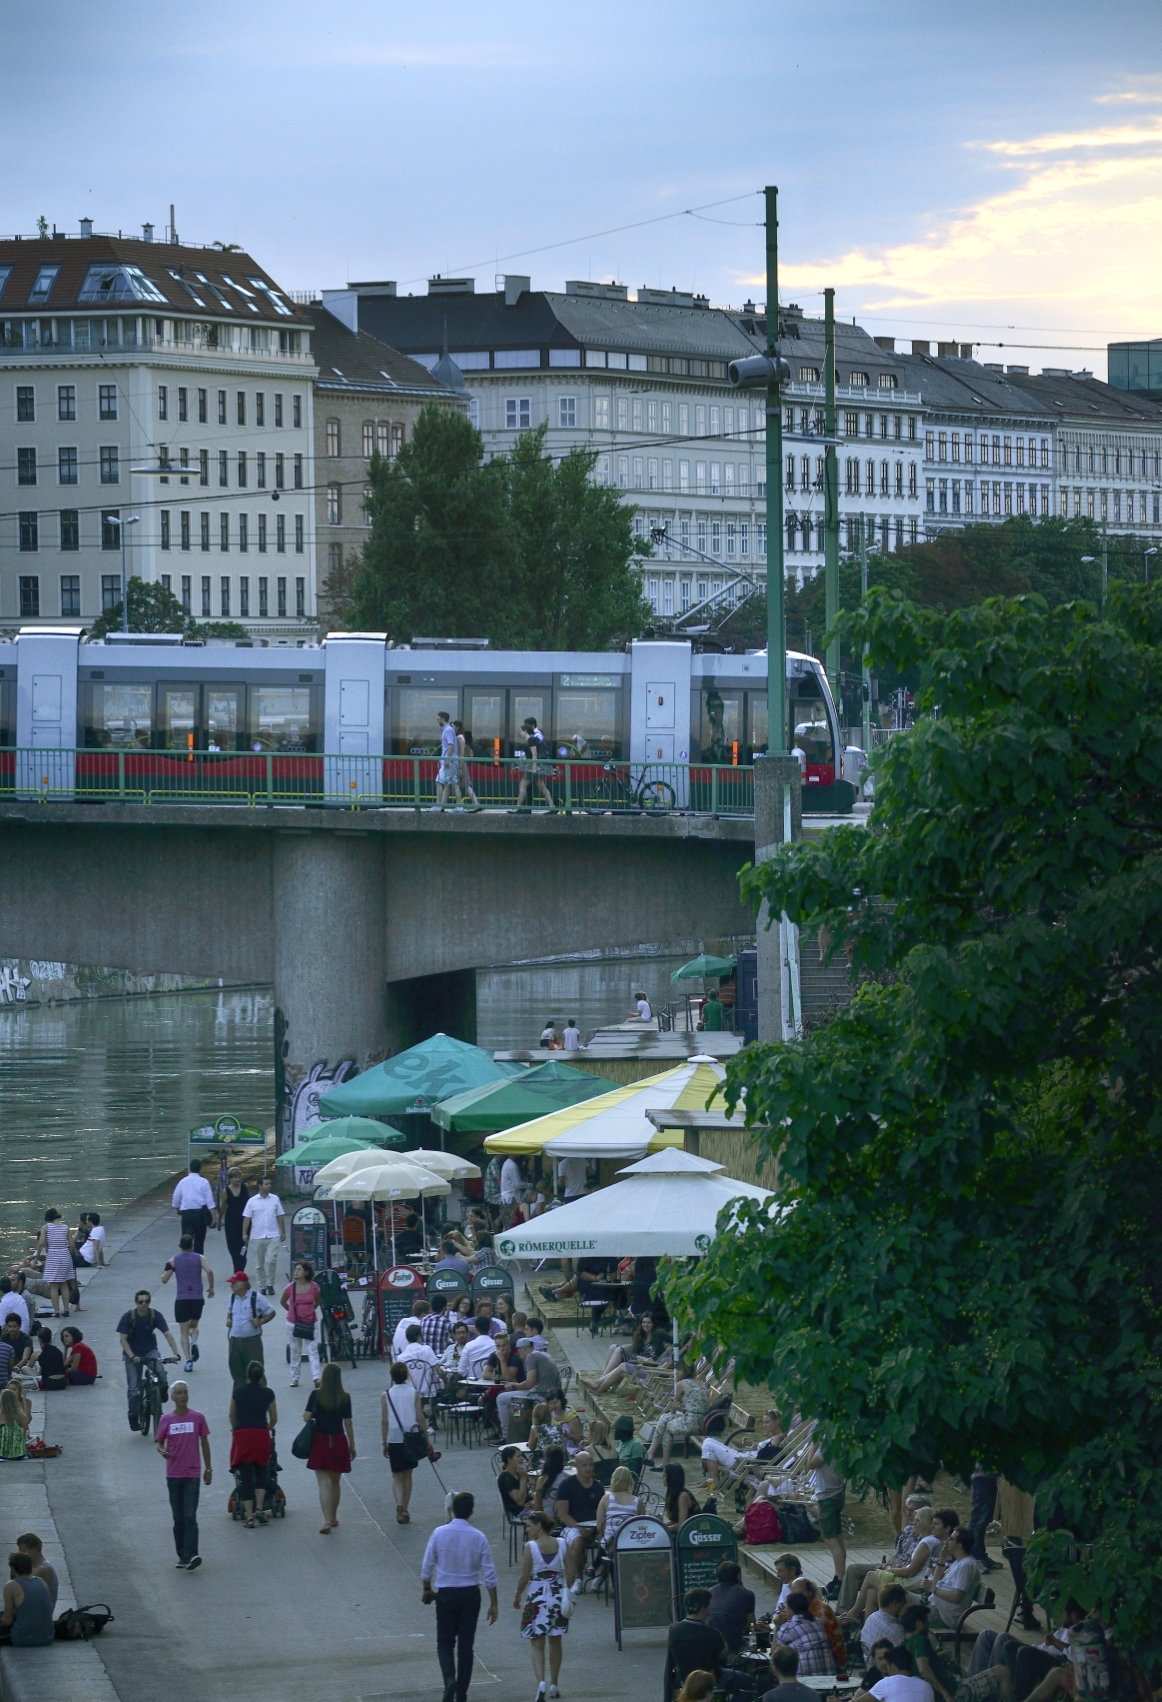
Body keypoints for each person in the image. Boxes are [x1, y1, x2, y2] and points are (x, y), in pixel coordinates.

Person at [420, 1490, 499, 1702]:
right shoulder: (479, 1537)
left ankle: (448, 1679)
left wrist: (427, 1588)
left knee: (444, 1643)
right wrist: (494, 1604)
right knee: (466, 1646)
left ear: (452, 1509)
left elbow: (427, 1565)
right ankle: (462, 1693)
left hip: (446, 1593)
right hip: (470, 1594)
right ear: (472, 1512)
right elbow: (489, 1574)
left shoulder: (439, 1533)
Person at [514, 1509, 575, 1701]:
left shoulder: (530, 1547)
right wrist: (567, 1590)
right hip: (557, 1594)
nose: (527, 1530)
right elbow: (572, 1573)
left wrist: (517, 1595)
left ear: (539, 1525)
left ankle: (541, 1681)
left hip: (537, 1596)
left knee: (537, 1643)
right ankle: (554, 1684)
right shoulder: (562, 1544)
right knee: (555, 1641)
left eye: (529, 1526)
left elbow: (524, 1577)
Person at [157, 1380, 211, 1569]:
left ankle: (192, 1555)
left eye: (185, 1392)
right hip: (173, 1475)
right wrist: (162, 1450)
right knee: (178, 1517)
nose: (183, 1396)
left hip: (192, 1474)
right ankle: (182, 1555)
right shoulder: (166, 1419)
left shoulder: (198, 1417)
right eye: (179, 1393)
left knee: (190, 1515)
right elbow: (159, 1442)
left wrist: (208, 1468)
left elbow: (204, 1442)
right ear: (172, 1397)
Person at [304, 1361, 355, 1534]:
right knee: (335, 1481)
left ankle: (326, 1520)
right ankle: (333, 1516)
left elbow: (306, 1417)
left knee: (323, 1483)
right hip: (339, 1440)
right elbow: (348, 1423)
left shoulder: (316, 1395)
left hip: (320, 1441)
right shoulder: (345, 1397)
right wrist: (352, 1445)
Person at [117, 1289, 180, 1428]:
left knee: (161, 1372)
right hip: (132, 1354)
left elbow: (167, 1334)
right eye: (140, 1302)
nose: (143, 1304)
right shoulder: (129, 1316)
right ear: (136, 1302)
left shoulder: (154, 1315)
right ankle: (133, 1417)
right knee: (134, 1387)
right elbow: (123, 1340)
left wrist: (176, 1354)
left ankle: (162, 1390)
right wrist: (132, 1356)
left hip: (150, 1350)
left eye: (146, 1301)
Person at [229, 1362, 276, 1527]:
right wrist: (266, 1428)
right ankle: (259, 1508)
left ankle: (249, 1517)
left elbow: (231, 1414)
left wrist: (235, 1429)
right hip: (261, 1434)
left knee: (246, 1474)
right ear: (262, 1375)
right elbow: (274, 1418)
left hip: (243, 1435)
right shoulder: (268, 1393)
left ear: (247, 1374)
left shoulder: (238, 1392)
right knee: (262, 1470)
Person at [162, 1233, 215, 1372]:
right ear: (192, 1245)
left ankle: (188, 1361)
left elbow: (164, 1279)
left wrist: (166, 1269)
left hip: (182, 1299)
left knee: (183, 1332)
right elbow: (209, 1271)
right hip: (197, 1298)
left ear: (179, 1246)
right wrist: (211, 1288)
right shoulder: (199, 1257)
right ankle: (195, 1341)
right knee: (193, 1326)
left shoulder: (174, 1260)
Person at [802, 1435, 848, 1597]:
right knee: (838, 1538)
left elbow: (811, 1463)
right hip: (836, 1492)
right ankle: (838, 1577)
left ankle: (841, 1582)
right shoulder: (842, 1441)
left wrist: (813, 1445)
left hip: (827, 1496)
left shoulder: (828, 1444)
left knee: (831, 1539)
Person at [701, 1408, 787, 1489]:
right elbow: (763, 1452)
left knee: (708, 1445)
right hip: (743, 1457)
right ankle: (712, 1481)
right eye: (764, 1422)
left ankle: (713, 1482)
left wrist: (750, 1461)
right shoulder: (775, 1436)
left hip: (742, 1462)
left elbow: (766, 1456)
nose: (764, 1425)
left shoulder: (778, 1438)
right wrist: (751, 1445)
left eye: (767, 1422)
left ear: (777, 1422)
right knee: (708, 1440)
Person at [646, 1362, 711, 1466]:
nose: (676, 1372)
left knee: (667, 1425)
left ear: (687, 1371)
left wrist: (672, 1412)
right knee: (664, 1418)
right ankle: (651, 1453)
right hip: (704, 1421)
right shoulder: (700, 1382)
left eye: (679, 1370)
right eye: (675, 1369)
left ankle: (662, 1460)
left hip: (692, 1423)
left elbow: (675, 1406)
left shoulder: (681, 1384)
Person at [668, 1589, 730, 1693]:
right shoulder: (711, 1633)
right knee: (747, 1681)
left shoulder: (673, 1630)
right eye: (708, 1606)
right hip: (710, 1680)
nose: (709, 1609)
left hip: (684, 1682)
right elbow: (725, 1654)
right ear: (703, 1608)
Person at [496, 1341, 559, 1442]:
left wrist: (513, 1386)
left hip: (541, 1395)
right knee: (511, 1398)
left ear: (523, 1349)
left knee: (501, 1398)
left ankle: (506, 1436)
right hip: (552, 1394)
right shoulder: (544, 1354)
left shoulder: (531, 1357)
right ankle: (520, 1432)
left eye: (519, 1353)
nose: (519, 1356)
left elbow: (529, 1383)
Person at [555, 1448, 604, 1568]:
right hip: (571, 1526)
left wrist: (596, 1528)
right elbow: (563, 1515)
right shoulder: (566, 1486)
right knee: (578, 1541)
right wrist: (580, 1528)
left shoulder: (598, 1487)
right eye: (584, 1465)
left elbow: (601, 1512)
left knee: (610, 1541)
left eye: (591, 1464)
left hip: (594, 1526)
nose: (588, 1468)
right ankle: (577, 1579)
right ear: (576, 1466)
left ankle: (598, 1575)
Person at [925, 1527, 982, 1629]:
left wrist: (932, 1589)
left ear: (959, 1545)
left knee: (905, 1612)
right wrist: (942, 1559)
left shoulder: (966, 1565)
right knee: (900, 1597)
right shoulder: (959, 1562)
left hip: (944, 1615)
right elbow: (937, 1581)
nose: (947, 1540)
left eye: (951, 1539)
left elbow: (956, 1597)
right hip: (936, 1606)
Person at [226, 1271, 275, 1387]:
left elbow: (271, 1312)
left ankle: (263, 1400)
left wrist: (261, 1321)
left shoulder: (257, 1298)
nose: (231, 1285)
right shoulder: (232, 1298)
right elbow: (229, 1313)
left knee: (257, 1372)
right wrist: (228, 1320)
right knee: (237, 1374)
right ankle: (239, 1401)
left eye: (234, 1283)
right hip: (235, 1342)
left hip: (252, 1342)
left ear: (242, 1284)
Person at [280, 1259, 322, 1389]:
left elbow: (318, 1301)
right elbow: (283, 1302)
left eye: (299, 1269)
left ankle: (316, 1377)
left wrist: (308, 1311)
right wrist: (293, 1312)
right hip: (293, 1324)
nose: (296, 1272)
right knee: (295, 1351)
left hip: (310, 1323)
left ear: (306, 1272)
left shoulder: (314, 1286)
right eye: (295, 1269)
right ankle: (295, 1378)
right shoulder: (290, 1288)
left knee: (313, 1350)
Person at [242, 1175, 285, 1295]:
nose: (269, 1186)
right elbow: (247, 1218)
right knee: (259, 1264)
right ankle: (262, 1286)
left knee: (271, 1261)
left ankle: (270, 1284)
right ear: (260, 1186)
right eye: (266, 1184)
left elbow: (280, 1215)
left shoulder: (275, 1199)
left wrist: (283, 1231)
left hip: (272, 1235)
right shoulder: (252, 1201)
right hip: (257, 1236)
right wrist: (244, 1233)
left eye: (269, 1184)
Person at [776, 1591, 836, 1676]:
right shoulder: (818, 1622)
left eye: (786, 1607)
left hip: (805, 1679)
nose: (785, 1609)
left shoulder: (787, 1628)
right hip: (829, 1676)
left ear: (791, 1609)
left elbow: (775, 1654)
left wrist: (777, 1627)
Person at [0, 1553, 53, 1647]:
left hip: (24, 1638)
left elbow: (8, 1621)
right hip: (47, 1637)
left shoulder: (10, 1585)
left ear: (12, 1569)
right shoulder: (42, 1582)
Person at [852, 1642, 934, 1702]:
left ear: (893, 1667)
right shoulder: (927, 1686)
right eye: (880, 1659)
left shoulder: (887, 1683)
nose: (884, 1664)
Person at [709, 1560, 756, 1656]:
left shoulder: (710, 1592)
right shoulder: (747, 1594)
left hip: (710, 1644)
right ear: (738, 1575)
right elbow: (750, 1626)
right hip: (733, 1646)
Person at [36, 1210, 75, 1317]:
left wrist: (38, 1254)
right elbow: (71, 1244)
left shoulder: (46, 1227)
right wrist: (71, 1252)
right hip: (65, 1255)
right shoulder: (66, 1227)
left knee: (54, 1285)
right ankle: (66, 1310)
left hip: (53, 1256)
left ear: (48, 1217)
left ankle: (56, 1311)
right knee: (64, 1284)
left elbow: (42, 1242)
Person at [172, 1160, 215, 1254]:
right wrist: (213, 1218)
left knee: (186, 1241)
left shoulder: (183, 1181)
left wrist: (178, 1209)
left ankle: (186, 1262)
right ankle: (198, 1264)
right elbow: (210, 1202)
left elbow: (176, 1197)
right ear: (200, 1169)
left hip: (187, 1214)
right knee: (199, 1243)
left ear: (190, 1168)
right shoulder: (204, 1182)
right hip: (200, 1215)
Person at [512, 717, 555, 812]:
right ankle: (552, 806)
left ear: (525, 731)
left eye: (521, 731)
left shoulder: (531, 740)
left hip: (532, 767)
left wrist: (534, 767)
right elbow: (527, 755)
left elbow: (534, 754)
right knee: (542, 787)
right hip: (534, 767)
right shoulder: (530, 741)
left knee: (523, 785)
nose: (520, 734)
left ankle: (517, 807)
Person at [398, 1324, 442, 1409]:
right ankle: (433, 1414)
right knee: (435, 1382)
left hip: (410, 1390)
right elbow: (436, 1368)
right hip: (428, 1390)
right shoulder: (427, 1349)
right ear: (419, 1337)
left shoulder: (401, 1357)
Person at [861, 1584, 909, 1656]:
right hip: (885, 1666)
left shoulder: (871, 1617)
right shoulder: (897, 1631)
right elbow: (906, 1656)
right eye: (903, 1603)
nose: (905, 1606)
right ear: (895, 1604)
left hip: (869, 1663)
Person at [13, 1536, 57, 1611]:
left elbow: (18, 1588)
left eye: (23, 1552)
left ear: (33, 1550)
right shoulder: (36, 1567)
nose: (21, 1557)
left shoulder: (43, 1569)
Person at [221, 1167, 250, 1272]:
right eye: (235, 1177)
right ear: (230, 1179)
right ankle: (237, 1269)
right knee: (233, 1246)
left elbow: (249, 1204)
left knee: (243, 1245)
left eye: (239, 1177)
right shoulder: (226, 1191)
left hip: (244, 1221)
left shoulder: (245, 1187)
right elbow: (223, 1206)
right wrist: (219, 1221)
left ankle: (241, 1265)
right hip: (231, 1222)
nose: (238, 1179)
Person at [430, 710, 459, 811]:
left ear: (443, 719)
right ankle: (457, 806)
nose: (437, 720)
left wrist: (447, 759)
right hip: (451, 761)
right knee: (451, 784)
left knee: (438, 781)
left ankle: (438, 805)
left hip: (449, 762)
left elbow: (451, 745)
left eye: (438, 718)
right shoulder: (448, 730)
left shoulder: (447, 730)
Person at [497, 1445, 531, 1525]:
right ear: (509, 1460)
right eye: (518, 1456)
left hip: (528, 1507)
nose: (522, 1458)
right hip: (519, 1513)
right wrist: (523, 1479)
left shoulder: (517, 1473)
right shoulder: (505, 1478)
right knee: (547, 1514)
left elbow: (527, 1493)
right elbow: (520, 1502)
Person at [663, 1463, 700, 1533]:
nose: (661, 1477)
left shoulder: (683, 1496)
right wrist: (660, 1525)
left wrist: (662, 1530)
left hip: (693, 1532)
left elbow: (682, 1524)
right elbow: (674, 1520)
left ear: (672, 1477)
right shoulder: (674, 1494)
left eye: (664, 1475)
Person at [534, 1446, 569, 1516]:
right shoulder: (567, 1478)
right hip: (563, 1520)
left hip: (547, 1521)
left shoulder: (541, 1480)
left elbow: (537, 1508)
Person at [453, 720, 481, 810]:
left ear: (457, 727)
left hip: (460, 763)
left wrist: (460, 766)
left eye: (453, 726)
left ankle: (461, 804)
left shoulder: (459, 738)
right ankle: (474, 803)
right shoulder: (461, 737)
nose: (452, 728)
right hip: (461, 763)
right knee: (466, 784)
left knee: (459, 784)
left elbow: (461, 753)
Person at [0, 1386, 31, 1460]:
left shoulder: (1, 1416)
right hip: (19, 1454)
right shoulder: (21, 1415)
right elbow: (26, 1430)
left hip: (2, 1454)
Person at [422, 1293, 455, 1359]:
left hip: (425, 1360)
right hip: (439, 1360)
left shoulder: (423, 1320)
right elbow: (456, 1339)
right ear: (444, 1308)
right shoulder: (447, 1323)